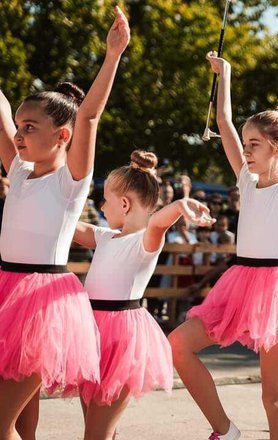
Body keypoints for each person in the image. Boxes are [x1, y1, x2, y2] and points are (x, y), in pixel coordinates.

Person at [167, 17, 278, 440]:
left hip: (276, 291)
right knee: (178, 346)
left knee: (273, 397)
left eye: (255, 144)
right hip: (238, 283)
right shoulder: (246, 182)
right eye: (246, 143)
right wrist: (226, 75)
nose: (246, 149)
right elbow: (224, 122)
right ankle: (226, 431)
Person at [0, 7, 129, 439]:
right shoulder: (18, 170)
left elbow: (89, 116)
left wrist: (112, 55)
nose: (19, 134)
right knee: (22, 423)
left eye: (30, 126)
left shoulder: (69, 181)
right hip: (7, 293)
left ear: (63, 136)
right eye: (18, 126)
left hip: (41, 306)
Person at [73, 150, 214, 439]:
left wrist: (179, 205)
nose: (101, 206)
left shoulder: (145, 240)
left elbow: (158, 222)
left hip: (122, 339)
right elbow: (75, 228)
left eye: (106, 200)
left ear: (124, 204)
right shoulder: (106, 236)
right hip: (90, 334)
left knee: (96, 434)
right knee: (96, 429)